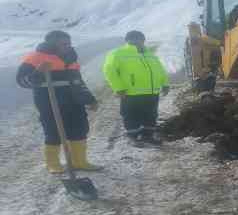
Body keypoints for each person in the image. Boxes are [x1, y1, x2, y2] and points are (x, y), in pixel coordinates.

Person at [16, 30, 102, 173]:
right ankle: (53, 164)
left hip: (74, 102)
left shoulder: (71, 58)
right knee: (53, 131)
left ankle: (79, 162)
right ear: (51, 43)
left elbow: (78, 82)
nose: (68, 46)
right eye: (64, 44)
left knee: (79, 129)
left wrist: (90, 99)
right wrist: (38, 72)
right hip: (49, 102)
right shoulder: (35, 58)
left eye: (69, 43)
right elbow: (22, 81)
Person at [103, 31, 170, 146]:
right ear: (128, 41)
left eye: (140, 39)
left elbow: (160, 70)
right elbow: (109, 71)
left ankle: (148, 136)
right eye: (134, 39)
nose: (138, 42)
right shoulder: (118, 53)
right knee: (131, 115)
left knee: (151, 115)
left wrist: (165, 84)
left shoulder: (149, 54)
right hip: (131, 93)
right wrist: (119, 88)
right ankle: (133, 137)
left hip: (152, 92)